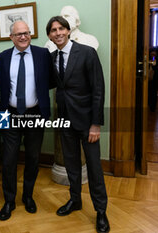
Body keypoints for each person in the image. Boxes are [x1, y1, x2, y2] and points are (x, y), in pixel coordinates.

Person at [46, 16, 110, 233]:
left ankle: (101, 211)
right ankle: (75, 200)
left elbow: (98, 90)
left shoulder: (87, 52)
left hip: (86, 122)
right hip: (64, 121)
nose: (58, 33)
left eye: (61, 28)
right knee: (71, 165)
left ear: (68, 30)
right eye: (53, 30)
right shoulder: (52, 57)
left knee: (94, 168)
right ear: (49, 35)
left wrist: (95, 124)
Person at [0, 20, 52, 221]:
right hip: (8, 114)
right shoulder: (1, 58)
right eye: (18, 33)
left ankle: (28, 197)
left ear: (31, 34)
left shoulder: (42, 55)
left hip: (35, 114)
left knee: (33, 158)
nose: (23, 36)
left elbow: (51, 80)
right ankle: (9, 201)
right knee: (8, 159)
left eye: (26, 32)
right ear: (11, 37)